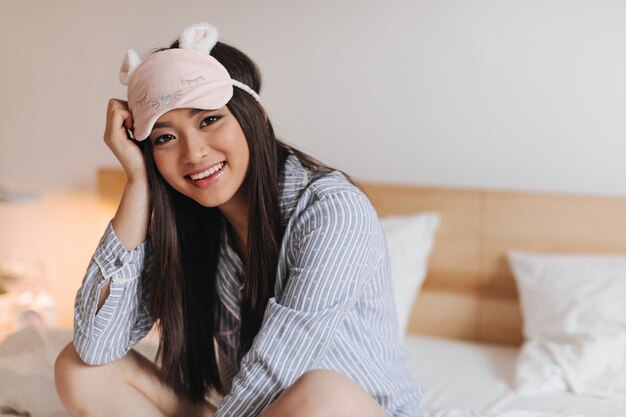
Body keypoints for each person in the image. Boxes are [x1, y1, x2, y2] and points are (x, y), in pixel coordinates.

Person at [54, 23, 422, 417]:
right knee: (78, 369)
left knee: (323, 394)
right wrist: (138, 181)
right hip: (252, 412)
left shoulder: (332, 212)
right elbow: (95, 345)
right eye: (164, 138)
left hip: (338, 410)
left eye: (209, 120)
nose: (193, 154)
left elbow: (276, 372)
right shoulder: (190, 224)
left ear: (256, 116)